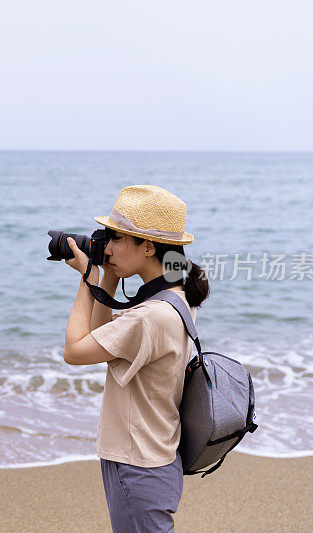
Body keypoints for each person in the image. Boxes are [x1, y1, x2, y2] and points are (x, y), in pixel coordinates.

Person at [62, 185, 210, 533]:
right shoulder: (177, 297)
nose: (107, 247)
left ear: (147, 246)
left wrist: (89, 280)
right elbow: (101, 341)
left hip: (137, 464)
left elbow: (74, 351)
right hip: (152, 459)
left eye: (115, 238)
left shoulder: (150, 316)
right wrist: (109, 277)